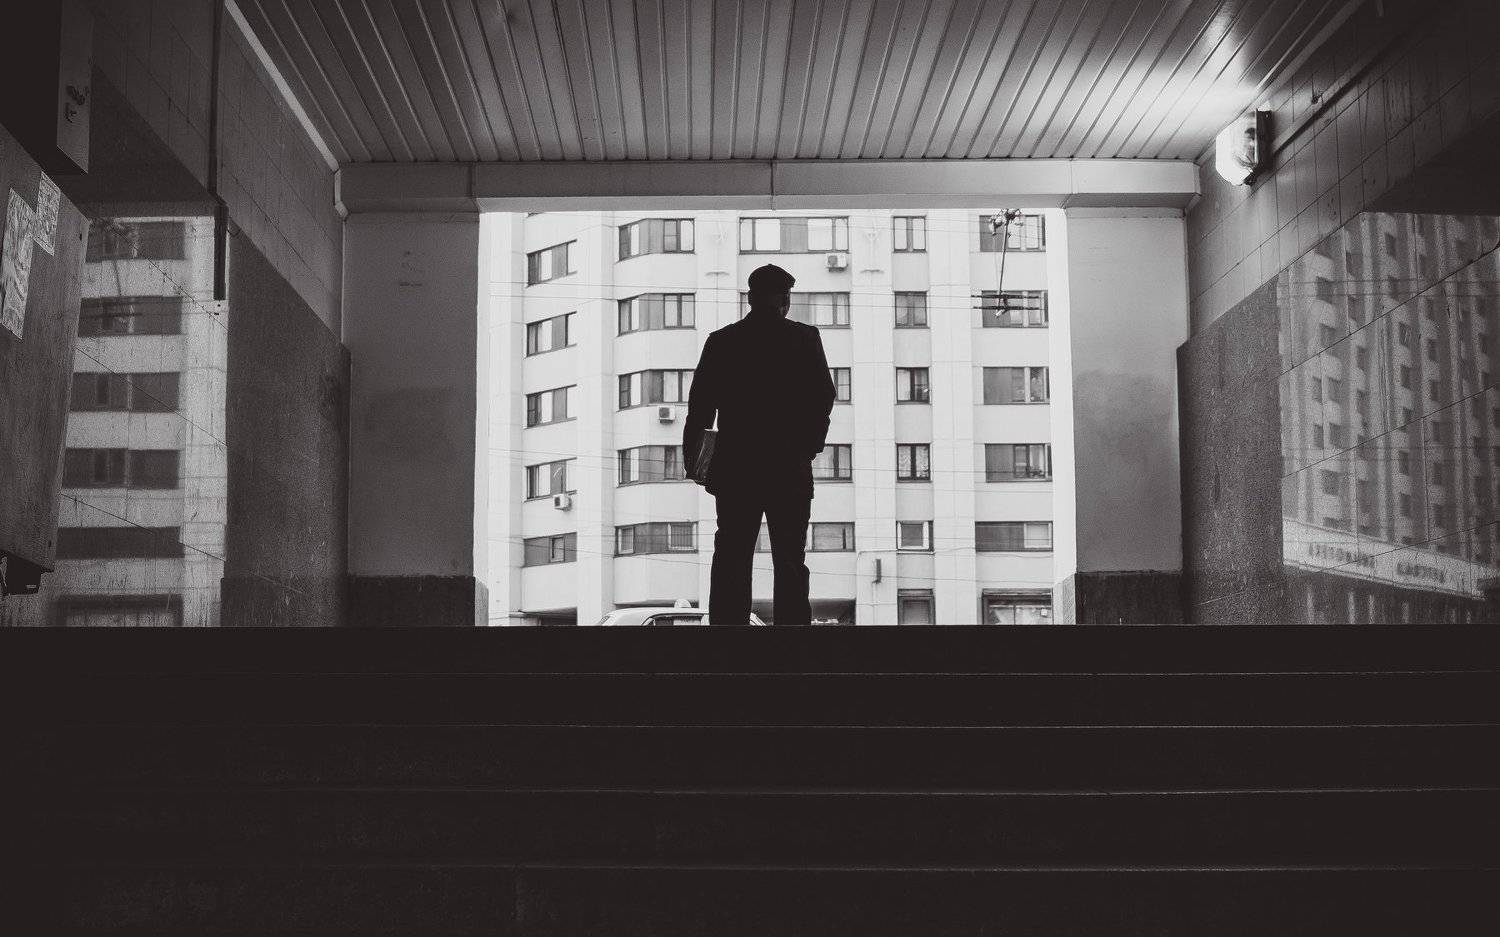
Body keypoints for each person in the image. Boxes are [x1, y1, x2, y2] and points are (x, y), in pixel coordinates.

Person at [683, 263, 837, 626]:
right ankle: (791, 635)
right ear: (785, 299)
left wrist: (696, 462)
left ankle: (729, 635)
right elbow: (823, 397)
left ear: (750, 298)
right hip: (789, 467)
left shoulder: (722, 342)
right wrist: (808, 447)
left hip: (736, 468)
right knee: (790, 557)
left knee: (732, 555)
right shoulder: (804, 338)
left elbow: (700, 408)